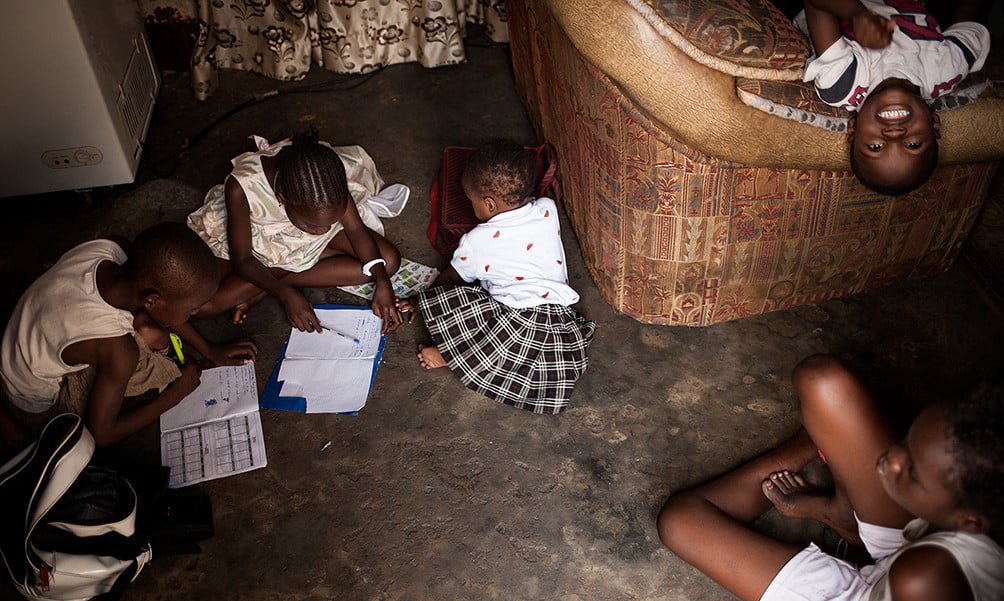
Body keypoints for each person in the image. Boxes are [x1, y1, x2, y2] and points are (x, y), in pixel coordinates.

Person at [657, 354, 1004, 601]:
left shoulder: (921, 579)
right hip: (926, 535)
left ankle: (823, 474)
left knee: (680, 521)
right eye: (907, 439)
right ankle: (845, 516)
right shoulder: (988, 496)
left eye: (911, 472)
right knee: (822, 380)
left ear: (971, 522)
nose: (889, 460)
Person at [0, 222, 258, 451]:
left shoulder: (112, 248)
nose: (197, 312)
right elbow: (102, 435)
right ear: (152, 300)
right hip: (33, 402)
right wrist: (176, 394)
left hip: (18, 341)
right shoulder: (119, 351)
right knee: (152, 353)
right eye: (191, 309)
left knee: (149, 327)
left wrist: (209, 349)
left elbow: (157, 308)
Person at [410, 139, 596, 414]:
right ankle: (463, 357)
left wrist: (418, 302)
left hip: (517, 322)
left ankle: (453, 357)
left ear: (489, 204)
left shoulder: (476, 241)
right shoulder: (547, 209)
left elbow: (450, 279)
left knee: (451, 302)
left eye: (471, 202)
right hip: (560, 322)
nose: (471, 207)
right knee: (526, 358)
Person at [187, 128, 405, 334]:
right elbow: (242, 259)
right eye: (312, 225)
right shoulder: (242, 187)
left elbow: (356, 229)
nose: (322, 232)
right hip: (262, 245)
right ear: (282, 198)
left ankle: (272, 282)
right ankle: (279, 278)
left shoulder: (326, 181)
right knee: (205, 307)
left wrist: (382, 281)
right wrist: (285, 295)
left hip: (295, 248)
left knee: (388, 261)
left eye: (332, 221)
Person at [797, 0, 991, 195]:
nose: (894, 134)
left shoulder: (843, 83)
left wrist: (857, 15)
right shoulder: (948, 69)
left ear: (853, 128)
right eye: (913, 145)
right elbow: (971, 15)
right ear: (934, 124)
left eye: (875, 146)